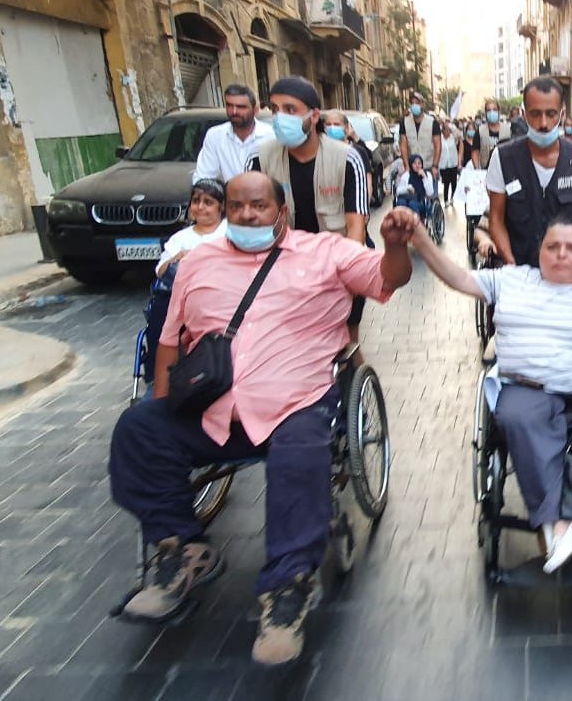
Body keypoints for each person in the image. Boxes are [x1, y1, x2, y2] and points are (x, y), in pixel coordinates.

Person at [108, 171, 413, 665]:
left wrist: (397, 245)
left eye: (258, 206)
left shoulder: (325, 253)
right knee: (138, 429)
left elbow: (387, 278)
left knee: (300, 453)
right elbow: (169, 338)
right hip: (213, 407)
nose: (247, 215)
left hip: (294, 403)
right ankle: (179, 549)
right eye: (236, 206)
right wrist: (162, 402)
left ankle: (286, 590)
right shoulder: (197, 263)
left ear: (282, 211)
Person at [395, 183, 572, 572]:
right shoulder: (513, 280)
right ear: (539, 252)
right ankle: (556, 519)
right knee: (515, 416)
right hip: (528, 386)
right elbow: (459, 279)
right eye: (552, 247)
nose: (561, 254)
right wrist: (423, 241)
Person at [245, 77, 371, 341]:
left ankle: (352, 351)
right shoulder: (259, 159)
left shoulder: (347, 159)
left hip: (336, 259)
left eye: (290, 110)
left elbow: (355, 231)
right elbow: (249, 226)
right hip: (283, 263)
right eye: (275, 109)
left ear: (314, 116)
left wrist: (339, 277)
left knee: (344, 337)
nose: (280, 118)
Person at [485, 77, 572, 274]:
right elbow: (496, 218)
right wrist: (511, 266)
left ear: (562, 114)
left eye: (551, 114)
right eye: (535, 114)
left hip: (570, 276)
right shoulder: (502, 158)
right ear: (523, 114)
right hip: (521, 272)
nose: (543, 123)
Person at [192, 84, 272, 183]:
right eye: (229, 105)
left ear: (255, 110)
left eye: (241, 107)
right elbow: (203, 177)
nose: (234, 112)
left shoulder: (271, 136)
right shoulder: (215, 136)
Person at [156, 179, 226, 278]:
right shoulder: (180, 238)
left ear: (222, 206)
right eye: (196, 201)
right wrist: (177, 258)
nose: (200, 207)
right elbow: (160, 273)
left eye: (208, 202)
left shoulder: (233, 233)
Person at [322, 109, 377, 211]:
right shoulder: (320, 152)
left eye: (336, 124)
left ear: (347, 128)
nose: (332, 128)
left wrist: (364, 210)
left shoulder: (357, 152)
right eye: (328, 124)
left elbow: (367, 182)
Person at [399, 91, 442, 177]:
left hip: (428, 168)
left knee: (430, 190)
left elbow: (438, 146)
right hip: (412, 168)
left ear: (423, 105)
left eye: (417, 103)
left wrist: (435, 166)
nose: (414, 105)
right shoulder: (405, 122)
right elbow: (403, 145)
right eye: (412, 103)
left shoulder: (433, 123)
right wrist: (407, 166)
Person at [471, 100, 512, 170]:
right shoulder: (480, 131)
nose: (492, 112)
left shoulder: (508, 130)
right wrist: (477, 168)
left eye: (494, 109)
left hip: (505, 169)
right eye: (489, 110)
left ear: (499, 111)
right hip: (486, 169)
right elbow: (475, 151)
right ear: (485, 113)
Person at [395, 154, 437, 221]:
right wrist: (408, 188)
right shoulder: (406, 176)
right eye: (414, 163)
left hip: (420, 202)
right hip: (406, 200)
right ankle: (402, 225)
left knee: (412, 203)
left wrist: (424, 177)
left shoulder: (427, 175)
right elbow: (398, 191)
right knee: (401, 202)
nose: (417, 165)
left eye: (419, 163)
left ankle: (415, 225)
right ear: (411, 164)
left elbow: (430, 193)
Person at [437, 118, 461, 205]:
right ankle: (446, 200)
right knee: (446, 183)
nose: (447, 132)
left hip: (453, 163)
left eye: (448, 130)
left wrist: (451, 125)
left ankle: (452, 198)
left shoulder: (453, 138)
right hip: (444, 164)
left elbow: (459, 135)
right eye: (445, 130)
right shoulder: (439, 139)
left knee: (454, 182)